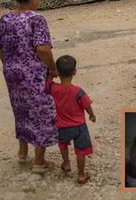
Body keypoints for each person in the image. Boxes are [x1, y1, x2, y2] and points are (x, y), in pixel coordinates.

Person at [0, 0, 58, 173]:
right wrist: (53, 69)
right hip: (33, 75)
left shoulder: (5, 19)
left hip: (11, 73)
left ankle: (23, 153)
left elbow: (1, 49)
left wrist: (11, 67)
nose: (39, 0)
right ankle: (39, 162)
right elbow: (43, 49)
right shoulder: (36, 19)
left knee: (21, 111)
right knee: (41, 114)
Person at [46, 55, 96, 184]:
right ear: (74, 72)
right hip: (79, 126)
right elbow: (87, 105)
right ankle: (80, 175)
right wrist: (92, 115)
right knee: (81, 151)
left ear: (58, 71)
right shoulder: (78, 91)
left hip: (62, 126)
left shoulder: (54, 89)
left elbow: (47, 83)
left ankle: (66, 163)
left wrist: (52, 74)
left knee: (63, 145)